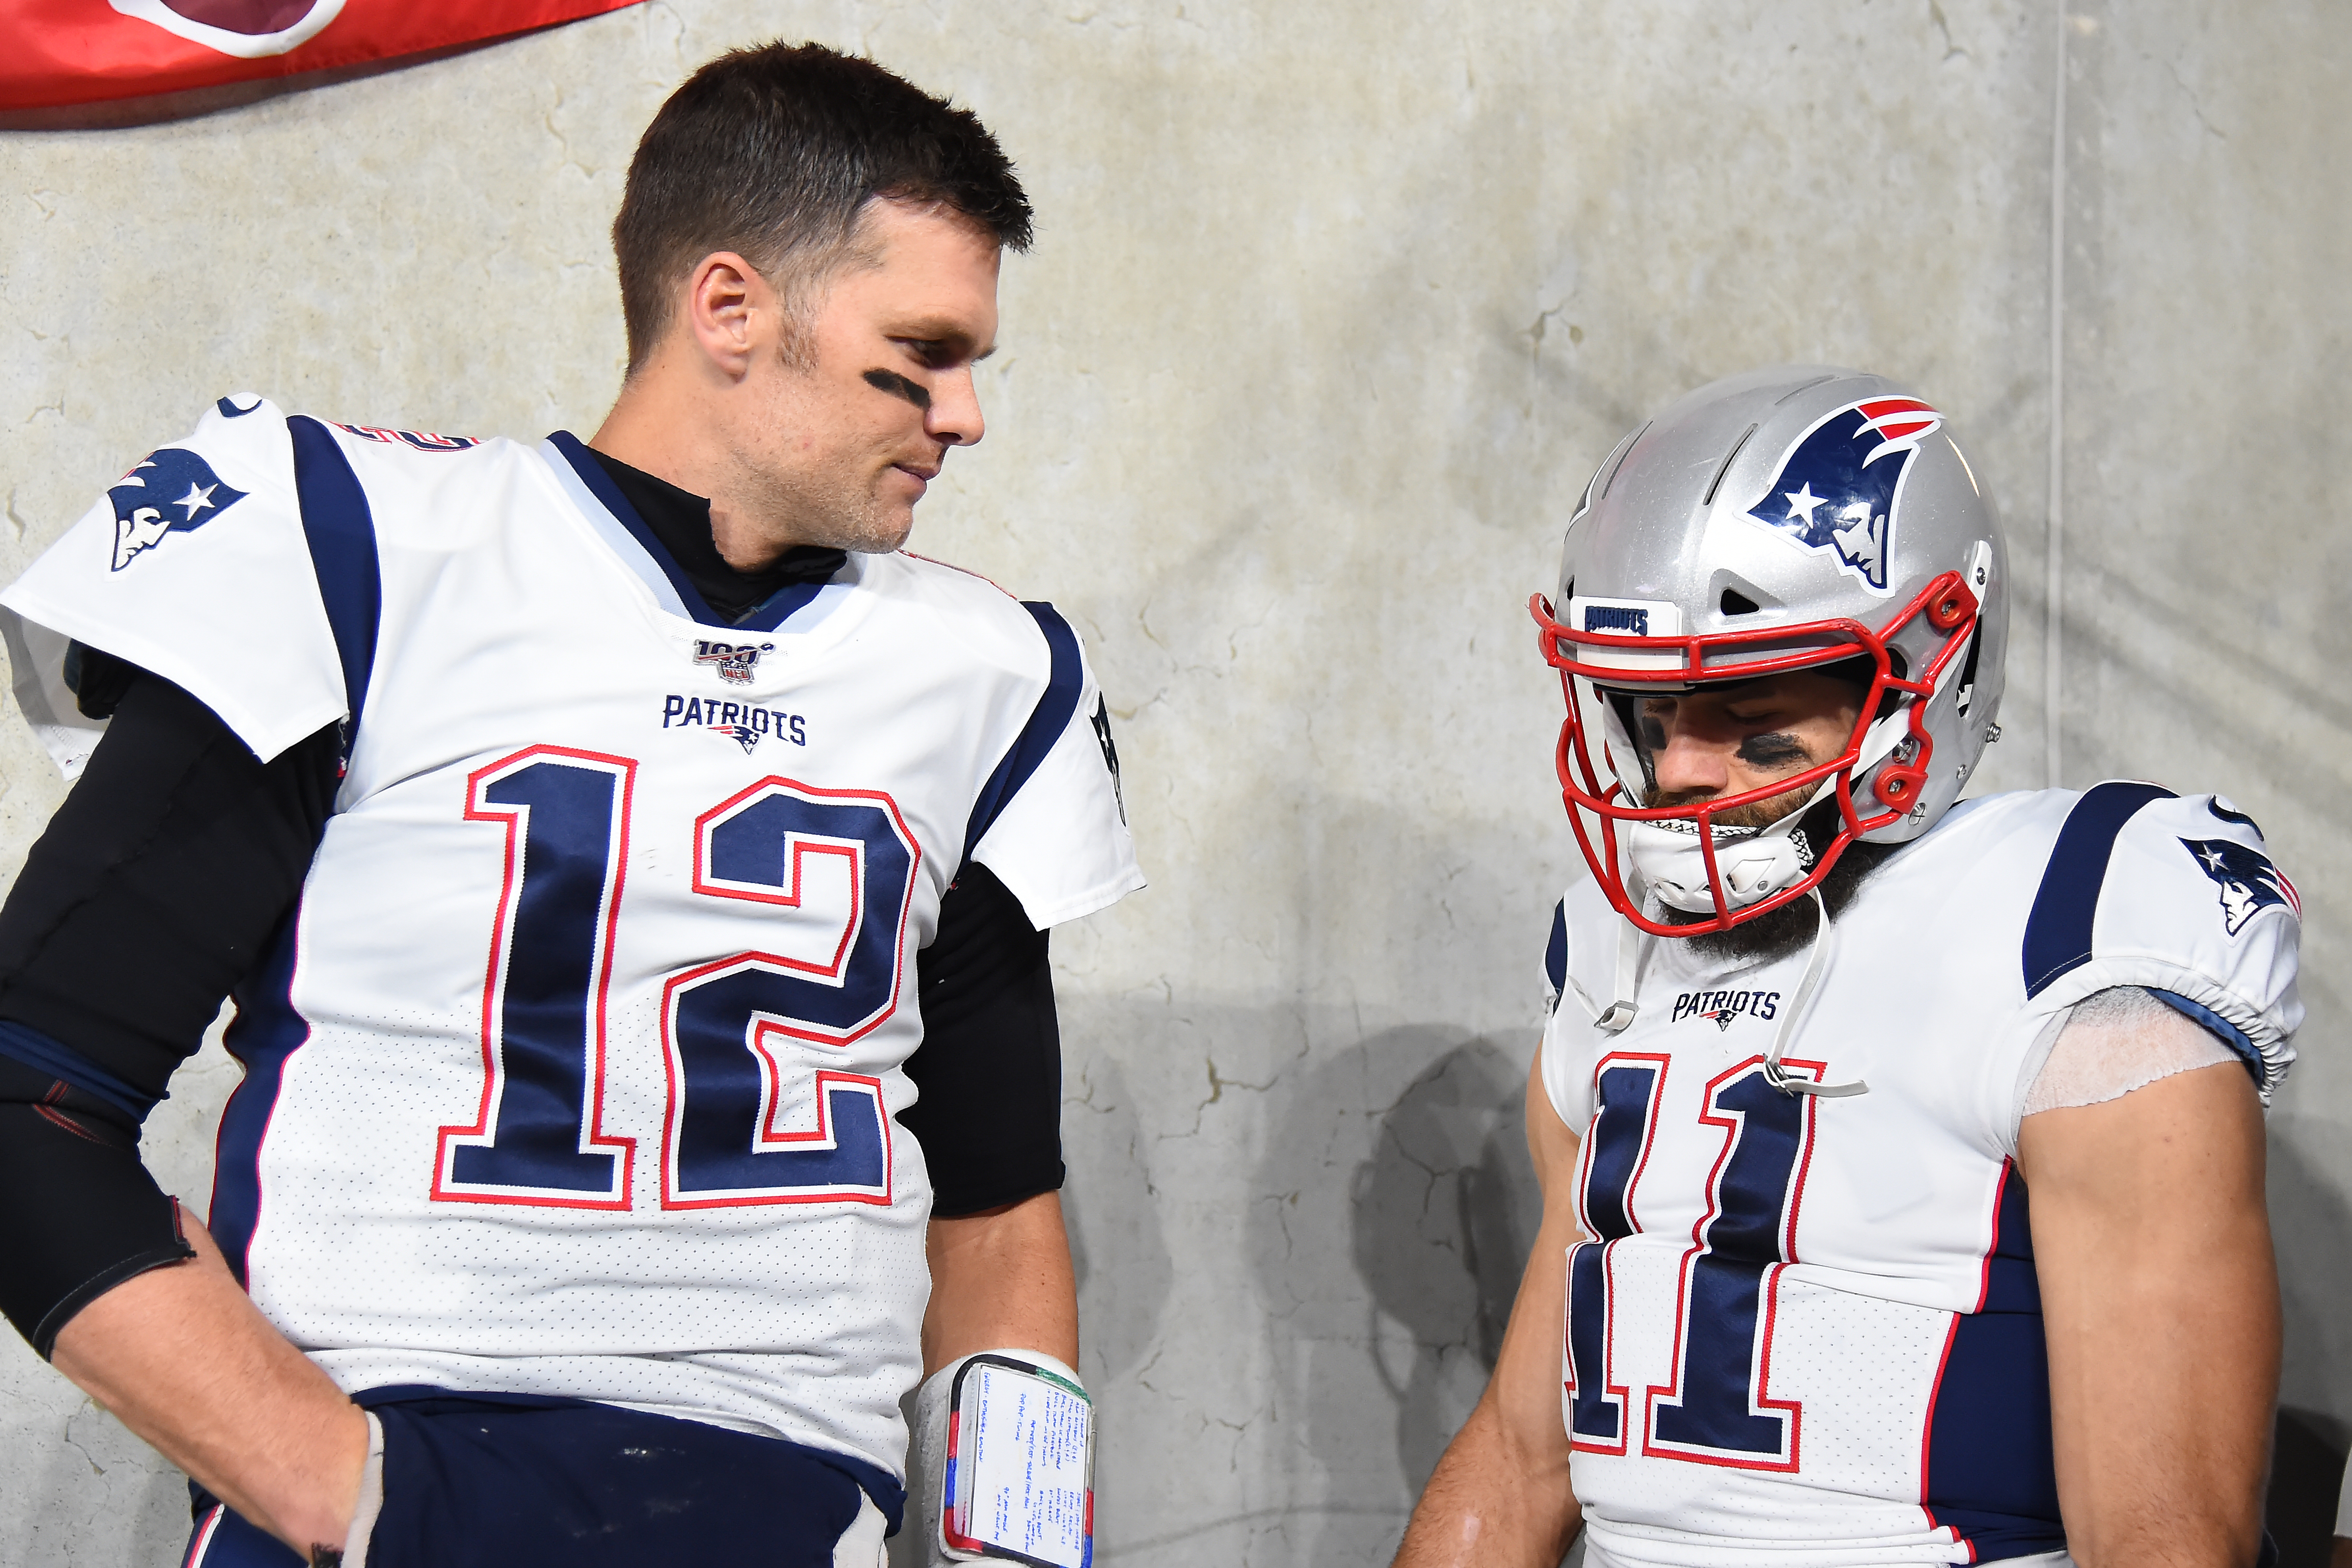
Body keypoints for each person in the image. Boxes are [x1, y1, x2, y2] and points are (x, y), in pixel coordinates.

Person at [0, 41, 1139, 1568]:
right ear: (729, 308)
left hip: (797, 1513)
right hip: (396, 1469)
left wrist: (1019, 1553)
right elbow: (30, 1104)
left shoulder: (988, 672)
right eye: (917, 354)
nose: (965, 413)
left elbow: (1000, 1214)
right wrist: (348, 1488)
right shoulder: (366, 549)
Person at [1391, 365, 2298, 1568]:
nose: (1683, 774)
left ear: (1931, 672)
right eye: (1652, 714)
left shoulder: (2071, 934)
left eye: (1754, 712)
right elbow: (1522, 1459)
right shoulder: (1610, 953)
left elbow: (2164, 1538)